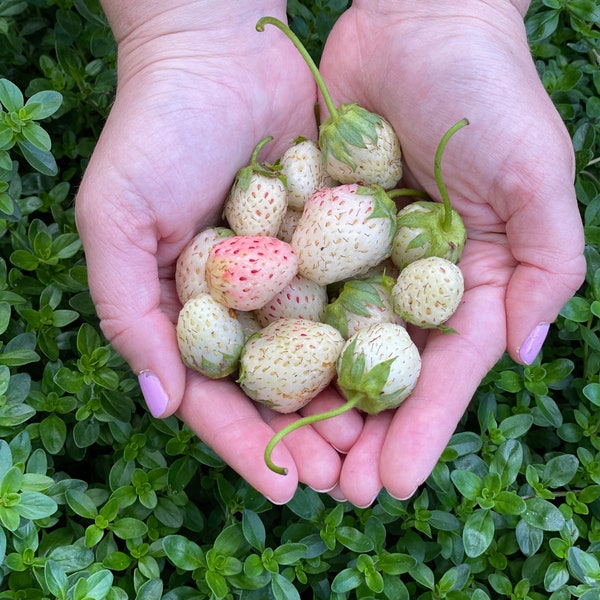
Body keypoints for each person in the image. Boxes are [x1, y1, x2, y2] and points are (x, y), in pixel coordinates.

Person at [75, 1, 586, 507]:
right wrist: (187, 34)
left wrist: (449, 15)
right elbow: (298, 263)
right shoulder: (300, 249)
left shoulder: (324, 251)